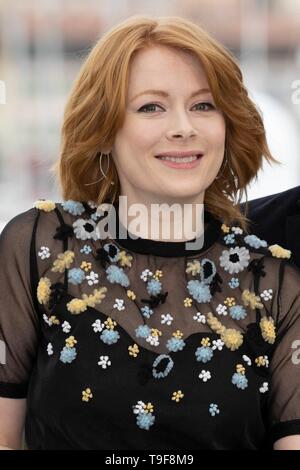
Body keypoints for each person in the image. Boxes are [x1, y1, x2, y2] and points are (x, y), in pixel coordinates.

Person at [0, 15, 299, 451]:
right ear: (103, 131)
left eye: (203, 105)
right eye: (150, 107)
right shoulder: (38, 246)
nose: (182, 126)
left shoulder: (273, 281)